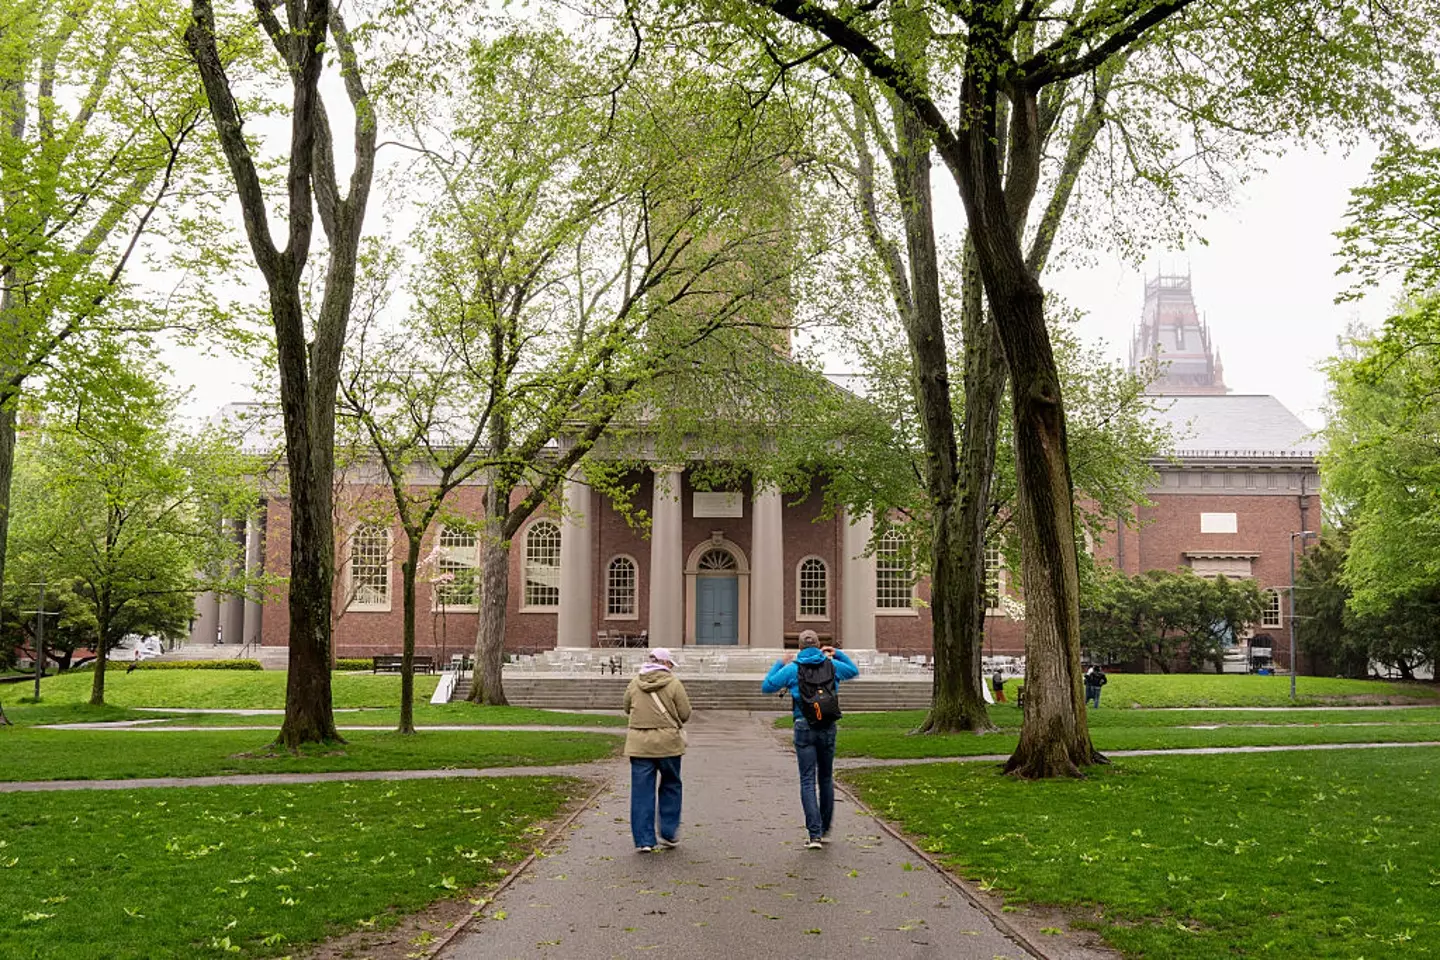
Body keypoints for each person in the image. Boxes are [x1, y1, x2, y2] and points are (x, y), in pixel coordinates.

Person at [761, 630, 859, 849]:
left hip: (803, 724)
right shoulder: (832, 665)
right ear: (819, 644)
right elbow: (853, 671)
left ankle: (814, 835)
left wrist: (780, 662)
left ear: (800, 648)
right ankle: (824, 829)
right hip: (827, 725)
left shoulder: (793, 669)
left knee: (807, 779)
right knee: (825, 778)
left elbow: (767, 686)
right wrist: (838, 654)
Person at [623, 647, 691, 854]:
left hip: (639, 744)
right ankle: (669, 832)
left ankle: (644, 840)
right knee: (671, 784)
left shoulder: (635, 683)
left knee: (641, 792)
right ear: (666, 663)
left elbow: (626, 707)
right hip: (668, 743)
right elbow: (685, 713)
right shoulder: (673, 683)